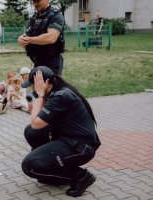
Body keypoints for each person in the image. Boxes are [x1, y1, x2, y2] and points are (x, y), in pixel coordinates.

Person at [21, 66, 101, 197]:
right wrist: (42, 96)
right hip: (69, 140)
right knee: (31, 132)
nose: (32, 89)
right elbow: (37, 122)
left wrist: (40, 96)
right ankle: (52, 170)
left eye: (33, 85)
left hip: (80, 147)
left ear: (45, 83)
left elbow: (35, 122)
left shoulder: (61, 96)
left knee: (29, 166)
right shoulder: (57, 92)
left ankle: (81, 177)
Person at [18, 0, 65, 75]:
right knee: (38, 85)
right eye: (33, 1)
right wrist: (21, 38)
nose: (35, 4)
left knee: (51, 85)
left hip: (51, 60)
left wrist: (29, 40)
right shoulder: (35, 17)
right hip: (37, 60)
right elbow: (27, 34)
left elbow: (51, 38)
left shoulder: (55, 15)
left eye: (38, 1)